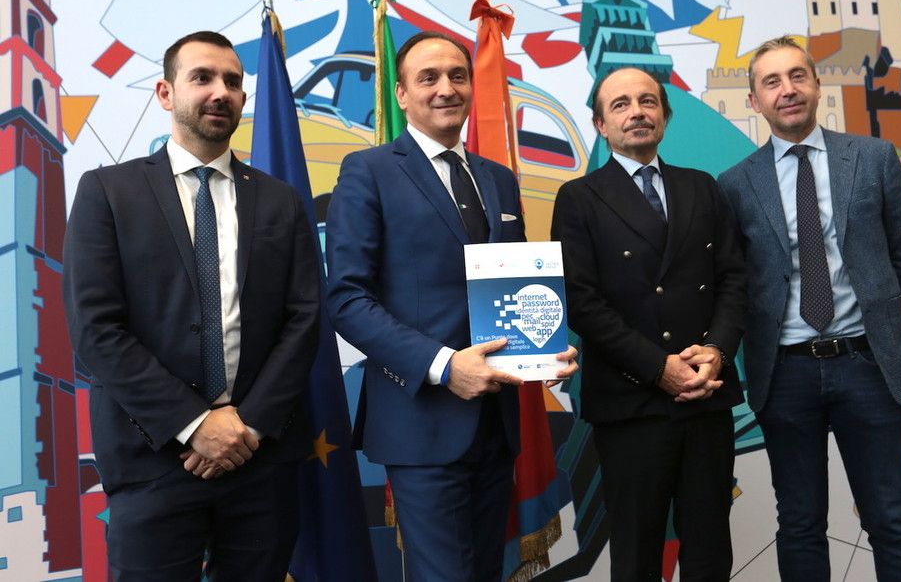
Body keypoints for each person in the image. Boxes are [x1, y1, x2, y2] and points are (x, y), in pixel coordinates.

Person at [63, 31, 321, 581]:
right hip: (153, 458)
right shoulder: (107, 192)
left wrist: (246, 427)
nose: (220, 92)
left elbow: (304, 320)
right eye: (201, 77)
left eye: (232, 81)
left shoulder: (281, 201)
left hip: (260, 458)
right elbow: (95, 329)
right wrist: (194, 424)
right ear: (166, 92)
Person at [325, 31, 577, 581]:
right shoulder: (368, 170)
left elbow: (512, 287)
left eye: (457, 76)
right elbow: (346, 298)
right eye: (429, 78)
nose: (446, 89)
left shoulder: (499, 180)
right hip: (421, 423)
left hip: (496, 424)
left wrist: (545, 344)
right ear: (401, 94)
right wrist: (444, 366)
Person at [717, 36, 901, 581]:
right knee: (800, 524)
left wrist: (876, 318)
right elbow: (734, 283)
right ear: (755, 101)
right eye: (772, 82)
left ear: (816, 86)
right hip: (784, 373)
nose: (787, 90)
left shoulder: (874, 158)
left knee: (892, 519)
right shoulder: (735, 184)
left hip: (867, 366)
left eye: (797, 76)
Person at [550, 67, 746, 581]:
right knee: (636, 556)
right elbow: (582, 303)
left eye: (647, 101)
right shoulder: (579, 198)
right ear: (600, 124)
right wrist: (659, 368)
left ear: (664, 115)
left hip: (706, 394)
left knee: (710, 551)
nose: (636, 112)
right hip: (630, 403)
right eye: (620, 105)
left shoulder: (702, 187)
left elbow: (733, 280)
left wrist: (717, 352)